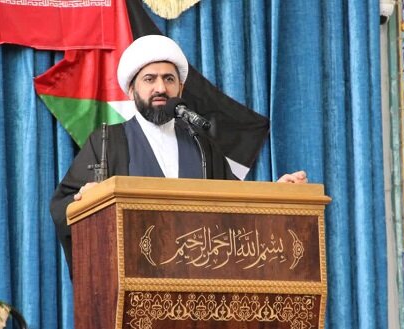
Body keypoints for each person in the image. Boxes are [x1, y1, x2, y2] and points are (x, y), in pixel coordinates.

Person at [50, 35, 307, 270]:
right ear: (131, 90)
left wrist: (278, 195)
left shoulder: (200, 143)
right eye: (149, 79)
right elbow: (63, 207)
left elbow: (237, 206)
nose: (161, 88)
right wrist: (86, 202)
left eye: (169, 79)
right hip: (134, 279)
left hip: (198, 281)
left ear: (180, 90)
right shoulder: (108, 143)